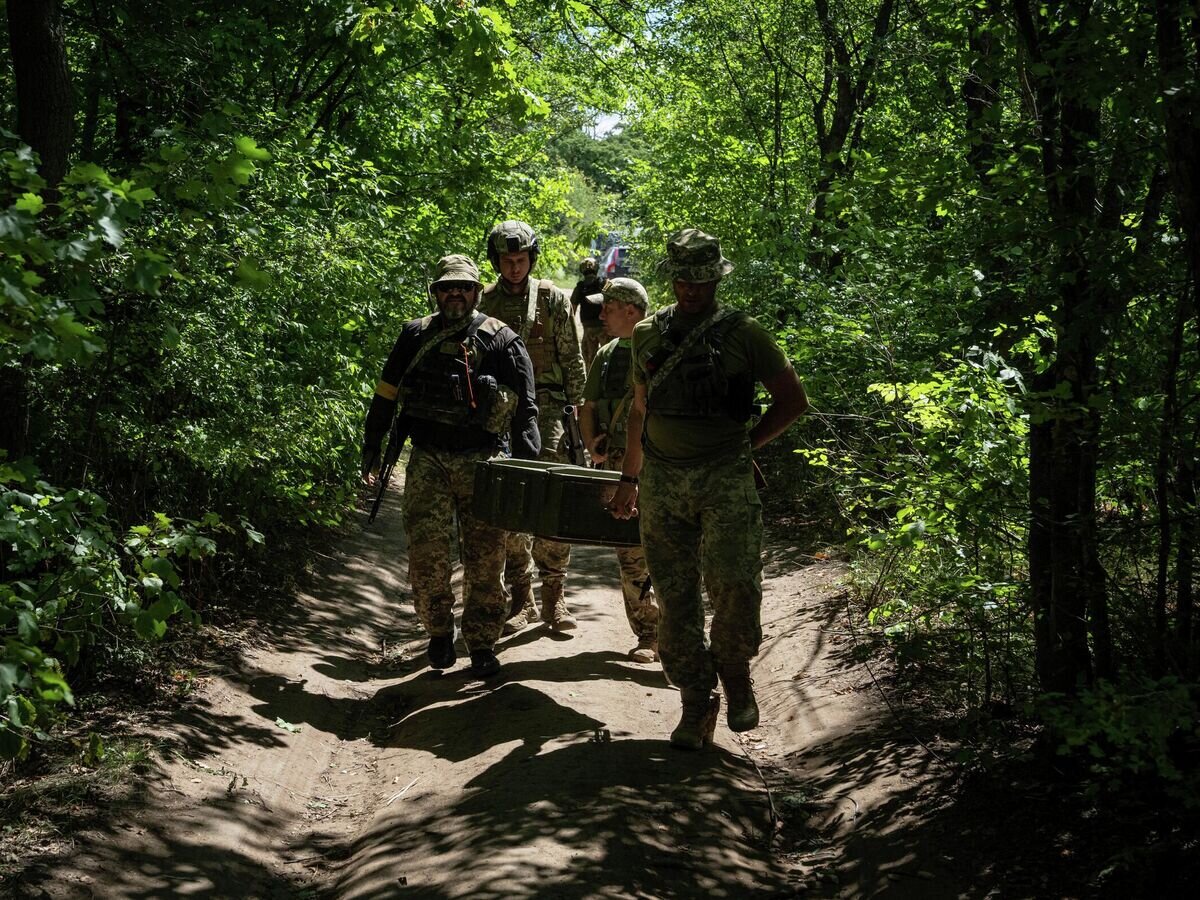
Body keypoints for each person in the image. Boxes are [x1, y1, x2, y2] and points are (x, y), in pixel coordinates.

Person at [608, 229, 809, 750]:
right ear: (671, 279)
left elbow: (793, 400)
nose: (690, 290)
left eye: (700, 281)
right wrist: (629, 480)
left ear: (716, 279)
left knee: (735, 585)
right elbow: (638, 410)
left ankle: (736, 671)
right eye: (682, 280)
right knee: (675, 599)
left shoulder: (745, 334)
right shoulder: (648, 335)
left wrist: (748, 446)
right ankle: (696, 700)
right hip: (662, 482)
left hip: (725, 478)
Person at [362, 254, 540, 678]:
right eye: (447, 287)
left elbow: (526, 411)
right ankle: (439, 632)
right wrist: (373, 442)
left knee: (485, 560)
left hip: (484, 462)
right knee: (427, 556)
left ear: (477, 292)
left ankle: (481, 644)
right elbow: (387, 394)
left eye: (463, 287)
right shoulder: (414, 336)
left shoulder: (502, 340)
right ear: (436, 292)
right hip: (427, 460)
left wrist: (527, 468)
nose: (455, 293)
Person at [478, 220, 588, 634]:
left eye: (520, 260)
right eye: (506, 261)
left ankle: (554, 594)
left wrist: (578, 411)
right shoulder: (483, 302)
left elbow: (572, 359)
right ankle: (520, 595)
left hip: (549, 407)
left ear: (531, 259)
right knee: (508, 499)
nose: (514, 268)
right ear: (497, 262)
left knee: (553, 495)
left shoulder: (552, 299)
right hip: (502, 408)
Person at [578, 277, 660, 664]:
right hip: (615, 464)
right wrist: (590, 440)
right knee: (629, 551)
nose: (600, 315)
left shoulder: (661, 347)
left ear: (630, 310)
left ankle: (676, 633)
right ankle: (649, 635)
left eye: (608, 308)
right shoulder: (607, 353)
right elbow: (589, 404)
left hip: (656, 464)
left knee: (667, 549)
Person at [570, 256, 606, 367]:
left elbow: (572, 309)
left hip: (588, 328)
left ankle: (591, 381)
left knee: (590, 360)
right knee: (608, 356)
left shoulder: (580, 287)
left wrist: (570, 331)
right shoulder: (603, 283)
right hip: (604, 327)